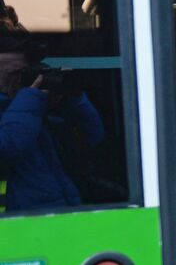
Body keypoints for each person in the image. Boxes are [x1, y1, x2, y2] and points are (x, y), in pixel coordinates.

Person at [0, 30, 104, 213]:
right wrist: (31, 98)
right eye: (13, 73)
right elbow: (8, 148)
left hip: (60, 217)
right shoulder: (28, 107)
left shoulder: (32, 111)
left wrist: (75, 98)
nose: (20, 80)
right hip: (17, 228)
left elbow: (93, 137)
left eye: (25, 73)